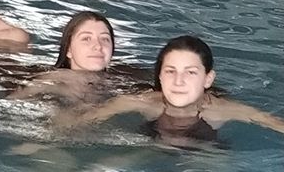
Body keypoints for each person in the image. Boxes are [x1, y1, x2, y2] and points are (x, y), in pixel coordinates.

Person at [74, 35, 284, 138]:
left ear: (208, 79)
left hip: (204, 155)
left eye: (190, 72)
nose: (178, 81)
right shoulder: (141, 102)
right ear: (160, 76)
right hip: (153, 149)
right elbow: (79, 122)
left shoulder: (224, 110)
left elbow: (274, 124)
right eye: (170, 71)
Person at [10, 11, 117, 104]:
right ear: (68, 50)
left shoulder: (118, 80)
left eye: (105, 39)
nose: (98, 46)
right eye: (86, 39)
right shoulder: (46, 83)